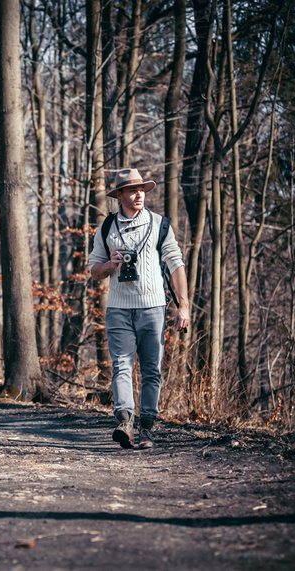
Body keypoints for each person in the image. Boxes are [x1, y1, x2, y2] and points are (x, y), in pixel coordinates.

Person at [87, 168, 190, 450]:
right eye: (132, 190)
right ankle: (124, 422)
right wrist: (108, 266)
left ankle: (147, 429)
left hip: (153, 308)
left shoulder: (160, 224)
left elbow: (176, 263)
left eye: (142, 189)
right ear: (119, 195)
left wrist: (184, 306)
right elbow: (93, 269)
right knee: (121, 365)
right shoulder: (107, 227)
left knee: (151, 370)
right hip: (118, 308)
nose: (139, 194)